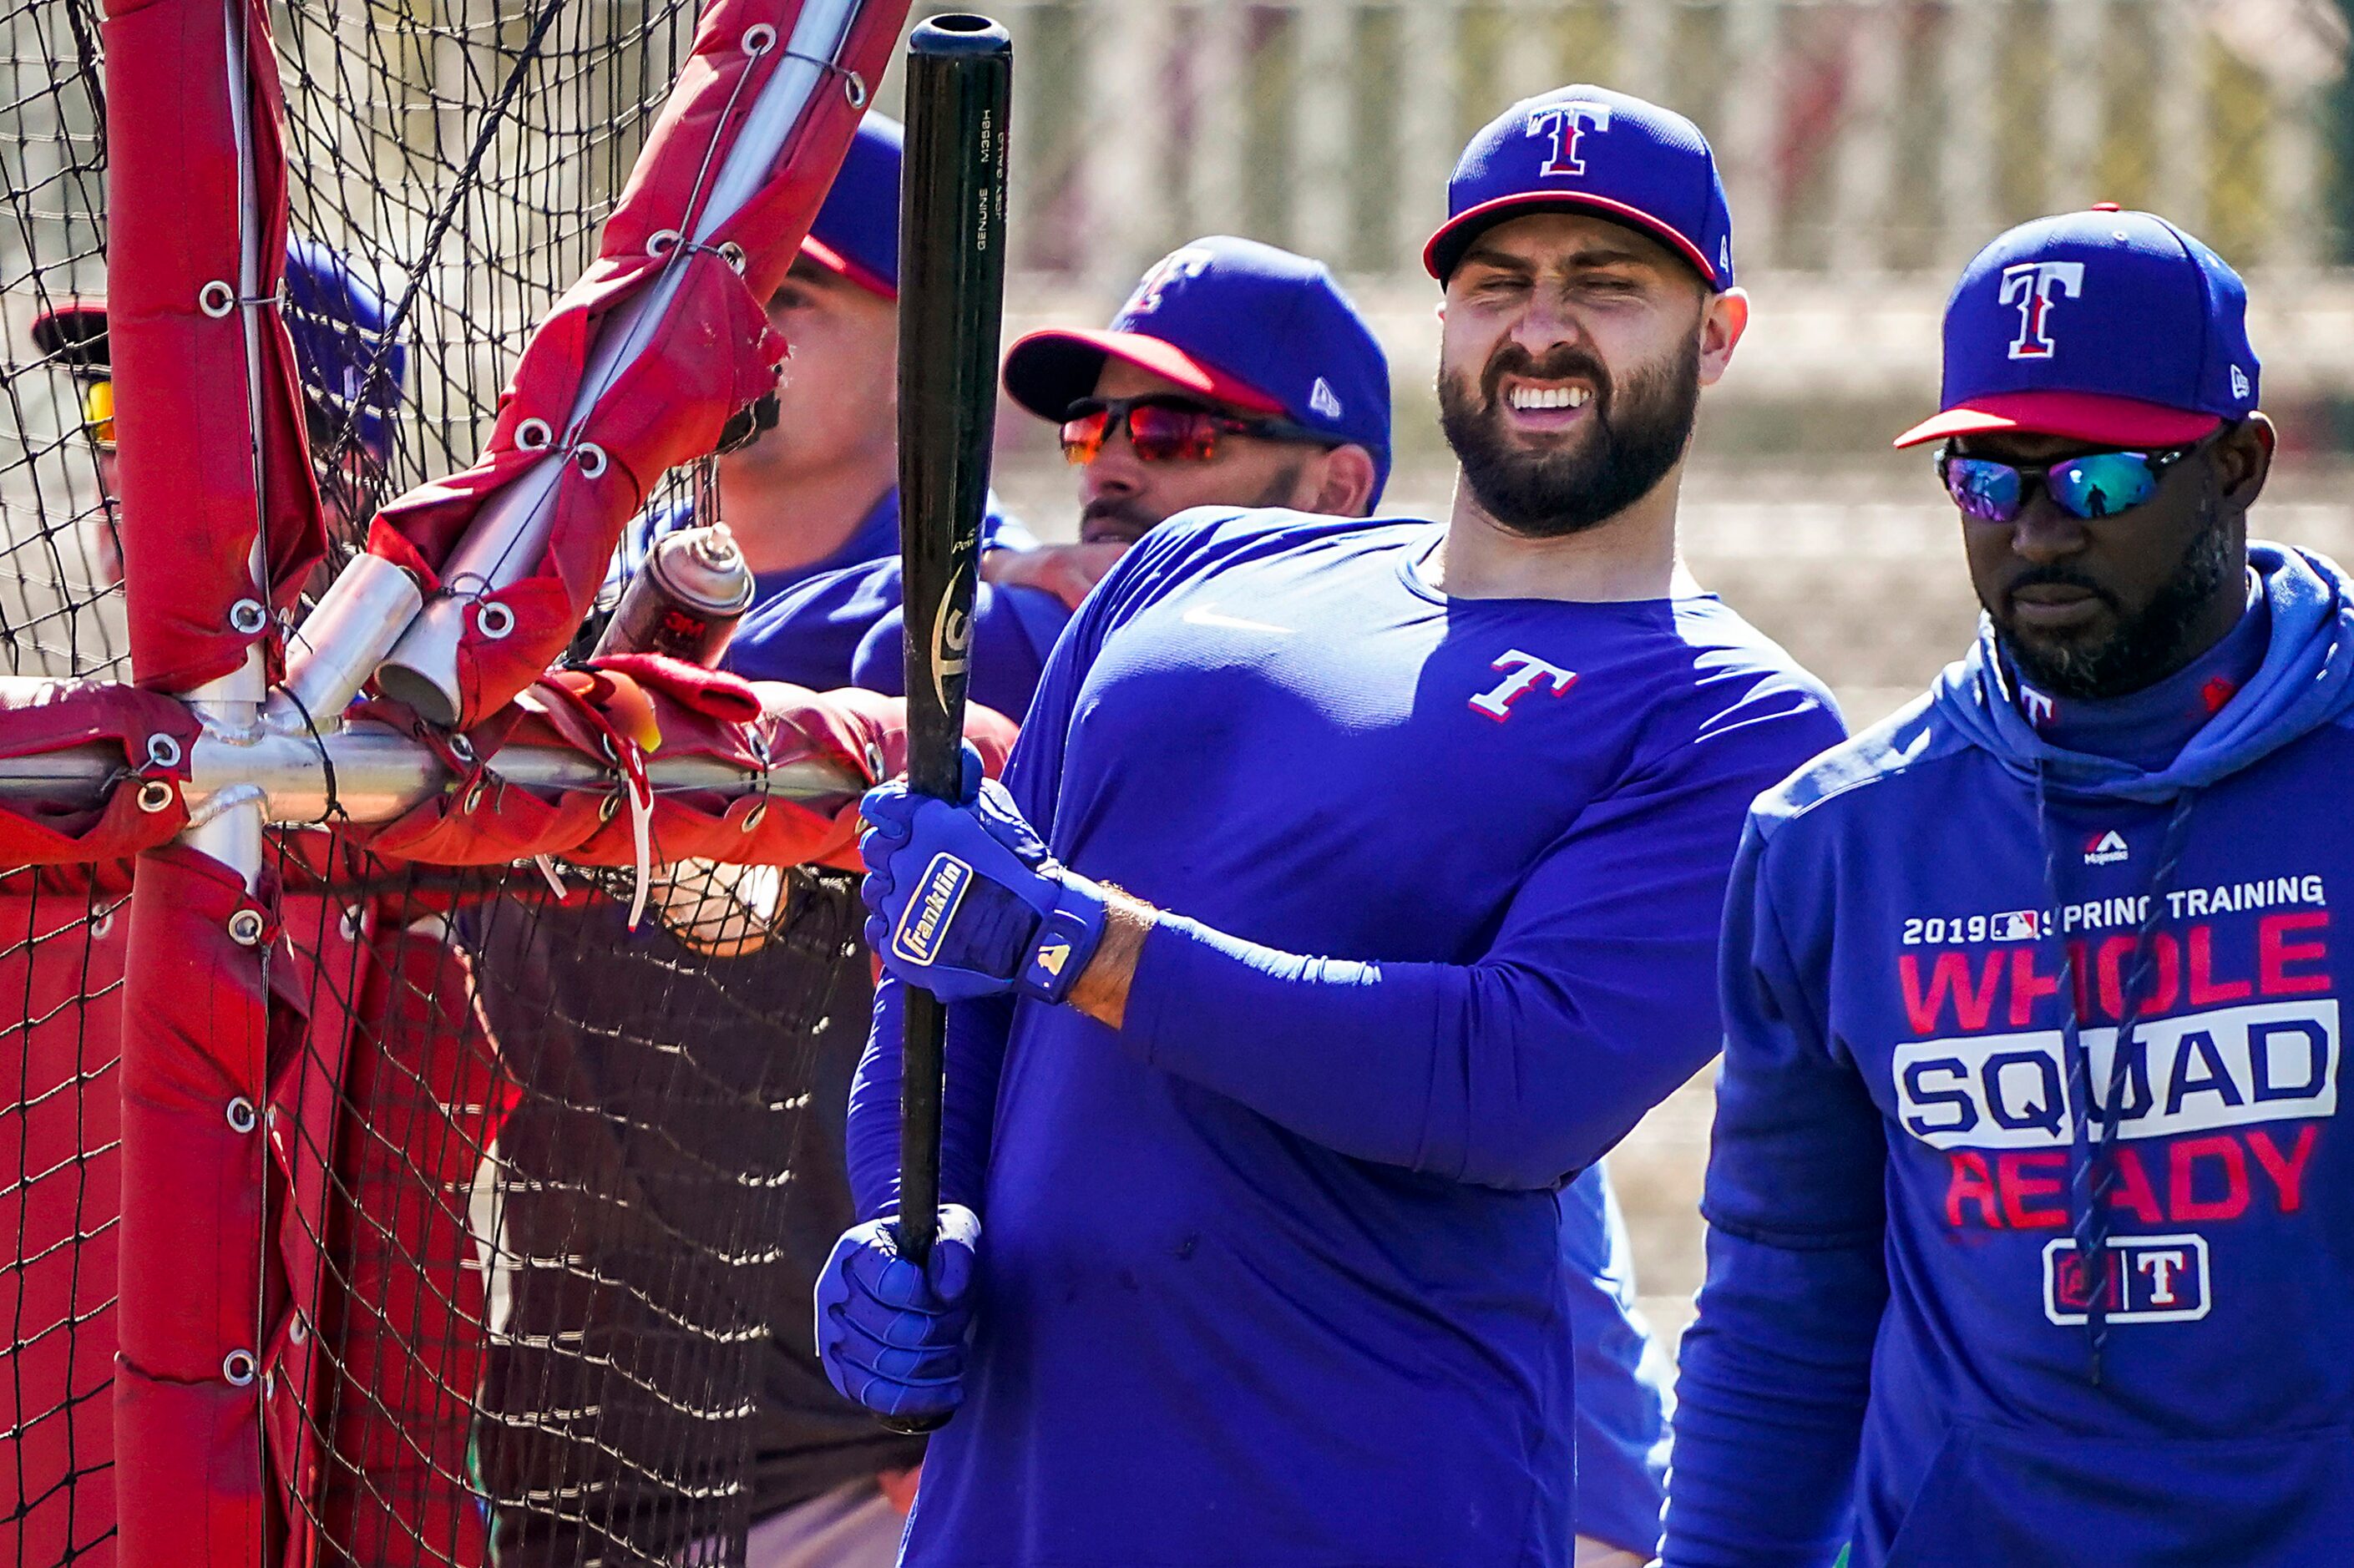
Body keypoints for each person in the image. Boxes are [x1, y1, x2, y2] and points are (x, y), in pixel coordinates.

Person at [819, 85, 1844, 1565]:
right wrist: (908, 1215)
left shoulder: (1733, 720)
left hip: (1359, 1500)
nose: (1540, 329)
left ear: (1716, 334)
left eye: (1607, 288)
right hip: (1013, 1504)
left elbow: (1503, 1081)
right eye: (1497, 284)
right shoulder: (1188, 564)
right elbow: (953, 959)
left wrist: (1079, 940)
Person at [1664, 210, 2354, 1567]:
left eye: (2092, 481)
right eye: (1985, 478)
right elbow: (1779, 1306)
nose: (2034, 533)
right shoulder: (1832, 843)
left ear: (2233, 465)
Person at [605, 112, 1032, 686]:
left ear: (928, 355)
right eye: (713, 285)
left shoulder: (989, 624)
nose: (729, 327)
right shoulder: (596, 566)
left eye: (790, 295)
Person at [32, 235, 404, 578]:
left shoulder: (429, 644)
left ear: (344, 477)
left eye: (187, 417)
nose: (117, 470)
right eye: (112, 411)